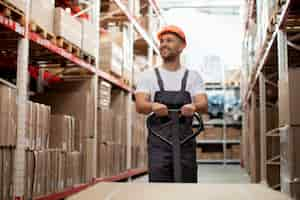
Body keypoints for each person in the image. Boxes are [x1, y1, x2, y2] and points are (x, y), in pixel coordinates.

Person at [135, 25, 208, 183]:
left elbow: (203, 103)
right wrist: (152, 106)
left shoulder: (193, 77)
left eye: (169, 40)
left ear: (181, 46)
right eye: (161, 41)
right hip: (159, 145)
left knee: (187, 186)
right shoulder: (148, 76)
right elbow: (140, 105)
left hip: (185, 143)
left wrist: (194, 106)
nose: (163, 44)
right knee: (160, 189)